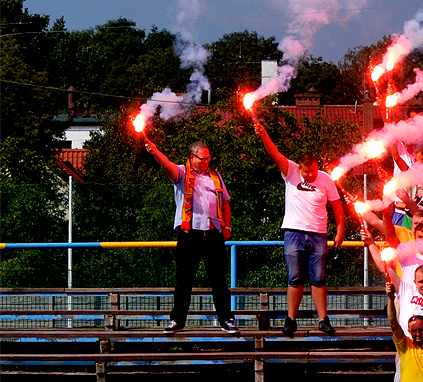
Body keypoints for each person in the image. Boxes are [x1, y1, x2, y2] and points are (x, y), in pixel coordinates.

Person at [253, 120, 345, 337]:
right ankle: (291, 319)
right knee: (295, 278)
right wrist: (264, 135)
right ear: (300, 168)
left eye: (312, 171)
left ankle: (323, 319)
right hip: (294, 232)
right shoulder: (291, 171)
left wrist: (339, 230)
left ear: (317, 167)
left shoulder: (326, 180)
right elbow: (274, 153)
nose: (309, 175)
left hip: (318, 234)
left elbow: (337, 206)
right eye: (306, 172)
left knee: (319, 279)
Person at [143, 139, 239, 336]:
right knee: (184, 280)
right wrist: (155, 151)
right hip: (189, 235)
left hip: (213, 234)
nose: (206, 162)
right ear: (192, 157)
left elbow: (226, 202)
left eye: (208, 159)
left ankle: (226, 319)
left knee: (219, 281)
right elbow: (167, 164)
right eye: (202, 159)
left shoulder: (216, 176)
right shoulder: (182, 173)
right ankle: (177, 320)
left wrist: (227, 227)